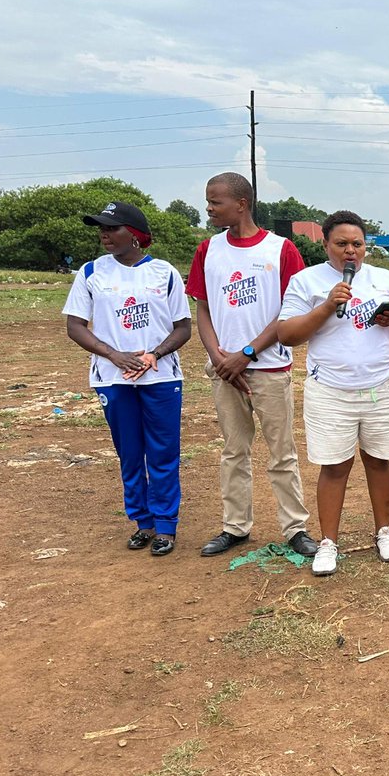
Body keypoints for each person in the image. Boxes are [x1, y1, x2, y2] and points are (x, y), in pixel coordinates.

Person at [277, 211, 389, 576]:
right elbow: (287, 334)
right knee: (335, 466)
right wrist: (326, 305)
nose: (350, 251)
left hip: (381, 388)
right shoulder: (306, 280)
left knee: (379, 459)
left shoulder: (384, 279)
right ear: (326, 244)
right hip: (330, 391)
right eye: (341, 244)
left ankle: (384, 532)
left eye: (357, 244)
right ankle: (328, 542)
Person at [185, 173, 318, 559]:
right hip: (224, 369)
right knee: (234, 450)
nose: (208, 208)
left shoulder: (281, 250)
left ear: (241, 204)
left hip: (269, 367)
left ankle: (295, 527)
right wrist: (218, 358)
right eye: (208, 201)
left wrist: (246, 353)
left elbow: (290, 314)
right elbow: (204, 309)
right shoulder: (207, 250)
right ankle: (235, 526)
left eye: (215, 202)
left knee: (282, 452)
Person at [63, 201, 192, 556]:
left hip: (160, 377)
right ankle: (143, 523)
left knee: (163, 453)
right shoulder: (91, 272)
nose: (104, 234)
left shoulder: (163, 273)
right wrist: (113, 354)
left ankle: (166, 526)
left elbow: (183, 328)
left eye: (111, 227)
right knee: (130, 454)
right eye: (101, 228)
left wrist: (155, 354)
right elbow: (75, 325)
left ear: (134, 234)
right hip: (112, 377)